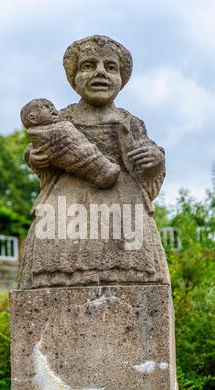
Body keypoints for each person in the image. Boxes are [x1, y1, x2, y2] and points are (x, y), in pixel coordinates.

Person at [19, 35, 169, 288]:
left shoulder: (129, 122)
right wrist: (34, 157)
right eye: (88, 66)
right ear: (74, 76)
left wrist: (155, 161)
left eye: (110, 67)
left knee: (137, 277)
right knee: (53, 274)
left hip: (124, 210)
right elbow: (36, 149)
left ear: (121, 78)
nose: (100, 73)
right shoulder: (59, 118)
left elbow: (149, 156)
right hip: (65, 211)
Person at [20, 98, 120, 189]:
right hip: (67, 190)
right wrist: (31, 156)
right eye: (46, 107)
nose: (52, 109)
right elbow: (38, 147)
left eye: (52, 106)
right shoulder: (64, 115)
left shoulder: (125, 119)